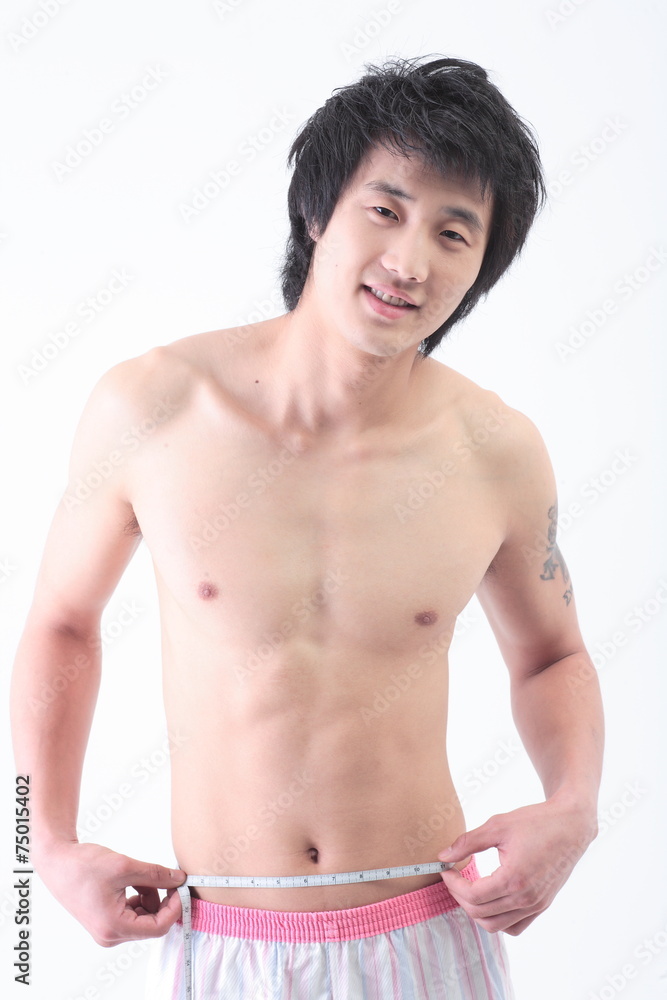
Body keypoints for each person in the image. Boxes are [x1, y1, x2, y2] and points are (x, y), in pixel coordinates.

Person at [10, 54, 604, 999]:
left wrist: (574, 806)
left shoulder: (495, 450)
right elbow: (60, 623)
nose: (410, 263)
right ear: (317, 210)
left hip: (426, 939)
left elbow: (552, 656)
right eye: (385, 210)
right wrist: (40, 847)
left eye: (453, 233)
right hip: (224, 940)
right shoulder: (152, 408)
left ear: (481, 266)